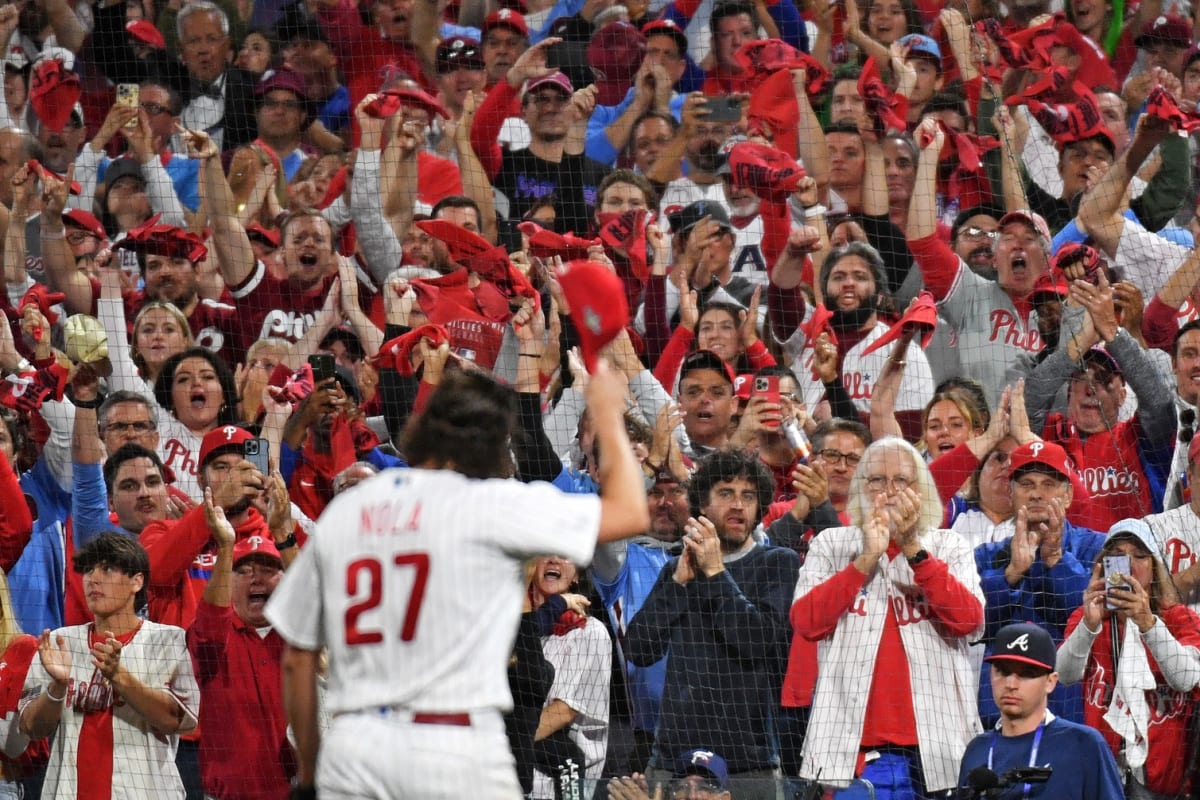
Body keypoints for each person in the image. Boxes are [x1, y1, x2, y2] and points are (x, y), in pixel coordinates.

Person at [265, 365, 648, 798]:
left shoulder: (349, 511)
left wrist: (312, 776)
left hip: (357, 750)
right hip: (456, 750)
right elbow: (631, 512)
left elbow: (298, 657)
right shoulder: (488, 505)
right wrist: (608, 415)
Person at [792, 437, 984, 796]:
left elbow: (969, 621)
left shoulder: (948, 545)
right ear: (861, 489)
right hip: (852, 755)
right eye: (877, 480)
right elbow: (806, 622)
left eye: (902, 481)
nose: (889, 491)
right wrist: (864, 560)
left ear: (922, 490)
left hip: (938, 752)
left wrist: (913, 547)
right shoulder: (831, 544)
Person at [625, 450, 798, 800]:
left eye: (748, 496)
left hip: (749, 765)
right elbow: (639, 650)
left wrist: (716, 572)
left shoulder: (778, 563)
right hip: (672, 761)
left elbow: (756, 640)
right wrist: (676, 583)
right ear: (702, 505)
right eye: (726, 493)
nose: (738, 505)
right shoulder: (676, 568)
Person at [16, 533, 200, 799]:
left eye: (108, 568)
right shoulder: (60, 642)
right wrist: (57, 687)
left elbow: (177, 720)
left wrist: (118, 676)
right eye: (89, 569)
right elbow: (32, 728)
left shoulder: (168, 641)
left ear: (137, 581)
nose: (93, 578)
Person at [1057, 519, 1200, 799]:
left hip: (1167, 783)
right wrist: (1088, 626)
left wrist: (1147, 623)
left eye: (1140, 556)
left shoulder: (1181, 619)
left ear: (1155, 566)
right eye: (1118, 557)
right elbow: (1064, 674)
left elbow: (1186, 679)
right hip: (1103, 778)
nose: (1130, 566)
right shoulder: (1088, 619)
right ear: (1104, 566)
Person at [188, 491, 294, 800]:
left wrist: (284, 531)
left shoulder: (303, 639)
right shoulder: (212, 641)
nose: (256, 580)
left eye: (268, 570)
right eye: (244, 571)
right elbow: (210, 622)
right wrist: (225, 546)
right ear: (228, 582)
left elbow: (314, 598)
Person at [957, 622, 1125, 799]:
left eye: (1026, 674)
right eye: (1003, 671)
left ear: (1050, 682)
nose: (1011, 684)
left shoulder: (1083, 744)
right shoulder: (977, 750)